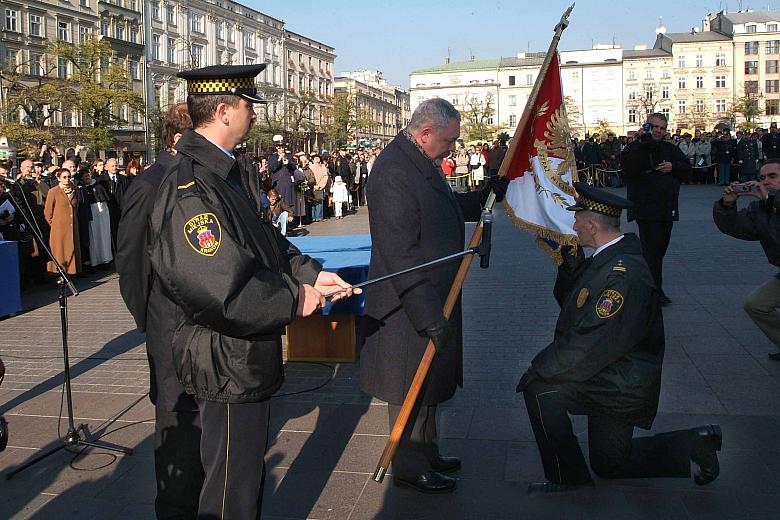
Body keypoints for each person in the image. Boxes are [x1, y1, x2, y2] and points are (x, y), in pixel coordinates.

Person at [145, 64, 355, 519]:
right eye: (247, 106)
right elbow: (221, 285)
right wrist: (292, 299)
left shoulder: (224, 174)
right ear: (223, 111)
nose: (255, 115)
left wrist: (309, 274)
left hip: (240, 353)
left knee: (241, 480)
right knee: (230, 491)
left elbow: (266, 242)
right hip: (226, 357)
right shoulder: (192, 186)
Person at [517, 182, 723, 494]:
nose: (573, 227)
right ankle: (697, 442)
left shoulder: (621, 275)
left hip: (618, 378)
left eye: (577, 221)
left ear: (591, 224)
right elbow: (576, 303)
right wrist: (570, 265)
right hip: (613, 370)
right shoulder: (612, 255)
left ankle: (567, 477)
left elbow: (595, 339)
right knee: (611, 463)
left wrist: (542, 366)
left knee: (540, 388)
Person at [360, 98, 508, 494]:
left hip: (433, 292)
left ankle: (426, 451)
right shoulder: (393, 170)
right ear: (426, 134)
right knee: (411, 381)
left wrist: (481, 197)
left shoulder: (417, 159)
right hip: (410, 301)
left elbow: (441, 208)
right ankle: (409, 465)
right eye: (449, 140)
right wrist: (428, 317)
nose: (453, 148)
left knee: (428, 384)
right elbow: (400, 252)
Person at [115, 103, 201, 519]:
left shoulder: (202, 178)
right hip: (168, 329)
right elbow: (130, 264)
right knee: (176, 424)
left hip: (205, 332)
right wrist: (148, 320)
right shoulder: (150, 184)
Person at [620, 113, 690, 306]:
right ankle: (653, 292)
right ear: (647, 126)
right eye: (655, 127)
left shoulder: (670, 149)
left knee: (659, 251)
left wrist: (673, 167)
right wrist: (642, 144)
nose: (659, 131)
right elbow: (628, 168)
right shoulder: (635, 146)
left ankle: (652, 289)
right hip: (645, 207)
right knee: (651, 251)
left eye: (662, 128)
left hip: (667, 208)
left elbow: (687, 168)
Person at [713, 160, 780, 361]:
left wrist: (771, 202)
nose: (765, 182)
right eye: (762, 178)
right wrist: (728, 204)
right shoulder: (759, 208)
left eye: (772, 176)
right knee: (756, 303)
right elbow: (733, 227)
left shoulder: (768, 204)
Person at [43, 167, 80, 274]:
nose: (67, 179)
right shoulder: (53, 192)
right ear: (58, 178)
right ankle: (59, 272)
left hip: (72, 225)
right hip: (58, 227)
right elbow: (47, 212)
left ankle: (71, 271)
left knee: (71, 249)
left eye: (69, 177)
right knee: (60, 250)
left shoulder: (74, 190)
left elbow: (76, 208)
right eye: (64, 177)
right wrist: (55, 224)